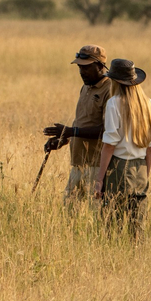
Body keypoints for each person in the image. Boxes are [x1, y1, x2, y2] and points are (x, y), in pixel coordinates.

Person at [94, 58, 151, 237]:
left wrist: (99, 180)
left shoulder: (114, 103)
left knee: (112, 225)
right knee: (137, 227)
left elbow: (109, 145)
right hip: (141, 169)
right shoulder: (149, 104)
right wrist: (146, 175)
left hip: (118, 169)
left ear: (114, 81)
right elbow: (150, 148)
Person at [42, 45, 109, 206]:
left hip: (97, 165)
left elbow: (108, 130)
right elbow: (82, 121)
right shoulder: (86, 87)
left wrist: (72, 131)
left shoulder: (110, 89)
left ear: (100, 66)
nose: (82, 72)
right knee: (69, 213)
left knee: (97, 214)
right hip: (77, 163)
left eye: (86, 67)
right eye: (80, 67)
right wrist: (65, 138)